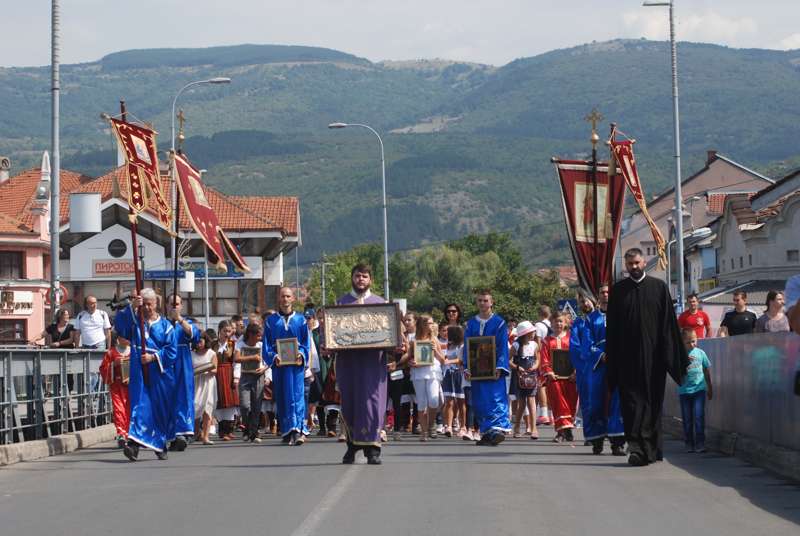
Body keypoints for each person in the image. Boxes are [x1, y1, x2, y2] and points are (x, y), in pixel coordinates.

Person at [606, 249, 688, 466]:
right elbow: (612, 331)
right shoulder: (618, 291)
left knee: (652, 404)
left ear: (644, 262)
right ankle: (637, 449)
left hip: (654, 361)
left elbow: (668, 326)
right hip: (627, 361)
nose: (634, 266)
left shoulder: (658, 288)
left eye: (637, 262)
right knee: (631, 405)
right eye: (630, 263)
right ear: (625, 265)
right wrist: (612, 362)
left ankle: (652, 448)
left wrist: (674, 359)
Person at [334, 263, 397, 465]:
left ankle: (373, 449)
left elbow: (391, 335)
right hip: (349, 362)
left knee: (373, 403)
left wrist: (395, 348)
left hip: (373, 363)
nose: (361, 279)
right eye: (357, 276)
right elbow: (332, 333)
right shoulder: (340, 304)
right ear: (352, 278)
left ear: (370, 280)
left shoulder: (381, 304)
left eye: (364, 276)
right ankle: (352, 447)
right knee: (350, 402)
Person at [114, 288, 177, 461]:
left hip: (160, 373)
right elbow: (121, 328)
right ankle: (133, 447)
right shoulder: (136, 322)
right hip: (139, 370)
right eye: (145, 305)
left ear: (156, 304)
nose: (147, 308)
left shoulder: (166, 326)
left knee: (159, 409)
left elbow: (171, 352)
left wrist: (153, 357)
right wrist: (131, 308)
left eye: (150, 304)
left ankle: (160, 444)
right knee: (139, 407)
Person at [570, 286, 625, 455]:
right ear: (598, 296)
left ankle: (618, 442)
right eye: (602, 292)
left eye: (608, 292)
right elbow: (587, 342)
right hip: (598, 365)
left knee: (618, 401)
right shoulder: (591, 320)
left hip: (619, 363)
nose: (606, 295)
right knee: (595, 403)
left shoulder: (621, 316)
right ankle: (597, 439)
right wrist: (601, 355)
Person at [463, 288, 511, 446]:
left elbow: (502, 345)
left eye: (485, 300)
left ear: (491, 302)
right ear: (476, 302)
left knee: (495, 398)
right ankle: (487, 433)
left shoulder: (499, 323)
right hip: (477, 369)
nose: (482, 303)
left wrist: (499, 366)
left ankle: (496, 431)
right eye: (479, 300)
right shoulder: (470, 324)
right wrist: (467, 367)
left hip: (494, 369)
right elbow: (467, 347)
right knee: (480, 400)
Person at [263, 287, 310, 446]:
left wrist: (301, 355)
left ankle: (297, 430)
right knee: (283, 397)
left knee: (297, 397)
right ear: (279, 298)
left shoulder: (301, 320)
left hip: (295, 366)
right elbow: (267, 346)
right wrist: (274, 357)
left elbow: (305, 344)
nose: (285, 299)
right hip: (280, 366)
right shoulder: (270, 321)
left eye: (288, 296)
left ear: (293, 298)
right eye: (282, 296)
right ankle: (286, 430)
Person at [396, 315, 445, 441]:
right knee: (421, 403)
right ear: (422, 325)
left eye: (432, 323)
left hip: (433, 371)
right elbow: (408, 357)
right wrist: (407, 363)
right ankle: (424, 432)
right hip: (418, 373)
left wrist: (436, 351)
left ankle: (431, 424)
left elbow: (443, 360)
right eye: (429, 323)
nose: (431, 325)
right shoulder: (414, 340)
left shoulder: (434, 339)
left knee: (434, 401)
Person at [168, 295, 200, 450]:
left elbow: (194, 335)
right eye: (172, 304)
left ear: (181, 306)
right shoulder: (162, 323)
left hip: (183, 362)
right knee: (167, 397)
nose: (174, 306)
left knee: (184, 396)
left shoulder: (186, 322)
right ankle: (170, 432)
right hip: (166, 362)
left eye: (177, 304)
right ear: (166, 305)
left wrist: (179, 319)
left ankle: (183, 431)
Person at [541, 313, 578, 442]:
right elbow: (544, 360)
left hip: (570, 379)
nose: (558, 324)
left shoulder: (572, 339)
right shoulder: (546, 341)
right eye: (556, 321)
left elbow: (577, 357)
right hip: (554, 379)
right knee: (558, 403)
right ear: (551, 323)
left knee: (570, 403)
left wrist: (575, 372)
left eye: (561, 321)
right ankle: (561, 432)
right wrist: (549, 371)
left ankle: (568, 429)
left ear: (566, 323)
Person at [678, 328, 713, 453]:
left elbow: (706, 370)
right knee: (687, 419)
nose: (692, 344)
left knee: (699, 416)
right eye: (688, 342)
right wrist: (685, 363)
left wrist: (710, 387)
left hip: (699, 389)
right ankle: (689, 442)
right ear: (682, 342)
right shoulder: (680, 355)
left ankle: (700, 442)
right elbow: (676, 372)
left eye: (693, 341)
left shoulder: (700, 353)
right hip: (684, 391)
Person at [234, 322, 267, 443]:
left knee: (256, 406)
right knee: (244, 405)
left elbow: (268, 360)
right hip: (245, 377)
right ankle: (246, 428)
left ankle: (254, 431)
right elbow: (236, 358)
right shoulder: (240, 344)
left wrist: (264, 369)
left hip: (258, 376)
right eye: (258, 335)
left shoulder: (262, 345)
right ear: (251, 335)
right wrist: (252, 358)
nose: (259, 338)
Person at [99, 333, 131, 447]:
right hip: (116, 385)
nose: (127, 338)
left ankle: (129, 433)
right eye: (124, 335)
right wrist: (113, 364)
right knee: (119, 409)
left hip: (131, 386)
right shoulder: (111, 352)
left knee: (129, 409)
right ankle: (121, 433)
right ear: (118, 338)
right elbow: (103, 368)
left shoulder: (134, 351)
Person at [509, 321, 540, 439]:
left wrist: (535, 367)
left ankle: (534, 428)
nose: (533, 333)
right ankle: (517, 427)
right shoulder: (516, 345)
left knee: (531, 401)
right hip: (519, 376)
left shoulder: (534, 345)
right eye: (531, 332)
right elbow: (508, 360)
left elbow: (537, 359)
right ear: (525, 333)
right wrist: (517, 367)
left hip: (531, 376)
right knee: (521, 403)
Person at [214, 320, 239, 441]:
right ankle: (222, 431)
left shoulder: (233, 344)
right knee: (219, 401)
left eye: (229, 331)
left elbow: (236, 362)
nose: (227, 333)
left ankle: (229, 430)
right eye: (225, 331)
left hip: (229, 373)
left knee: (229, 402)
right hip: (216, 373)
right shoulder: (213, 344)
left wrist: (236, 377)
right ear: (219, 330)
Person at [192, 330, 218, 445]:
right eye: (196, 341)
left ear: (206, 341)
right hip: (196, 382)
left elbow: (215, 369)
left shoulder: (211, 353)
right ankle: (195, 433)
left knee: (208, 408)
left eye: (201, 341)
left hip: (208, 382)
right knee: (196, 407)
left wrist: (207, 369)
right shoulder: (191, 353)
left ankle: (206, 437)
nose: (198, 343)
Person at [442, 325, 466, 438]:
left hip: (459, 374)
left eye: (449, 332)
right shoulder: (449, 345)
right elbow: (445, 358)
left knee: (461, 402)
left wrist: (449, 361)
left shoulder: (462, 346)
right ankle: (449, 426)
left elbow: (461, 360)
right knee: (449, 401)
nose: (447, 334)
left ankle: (463, 426)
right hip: (448, 374)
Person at [533, 305, 553, 426]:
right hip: (553, 356)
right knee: (551, 385)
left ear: (539, 314)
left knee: (541, 385)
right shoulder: (552, 324)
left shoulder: (538, 326)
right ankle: (552, 414)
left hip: (542, 357)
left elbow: (538, 344)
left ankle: (543, 414)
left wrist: (536, 357)